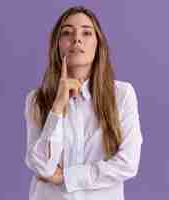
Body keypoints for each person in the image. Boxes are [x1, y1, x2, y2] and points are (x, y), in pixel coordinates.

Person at [24, 5, 143, 200]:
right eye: (67, 32)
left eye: (86, 33)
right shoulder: (37, 100)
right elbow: (42, 166)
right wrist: (58, 106)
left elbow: (128, 163)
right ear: (58, 44)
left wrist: (67, 177)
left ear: (98, 45)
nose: (76, 39)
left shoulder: (122, 95)